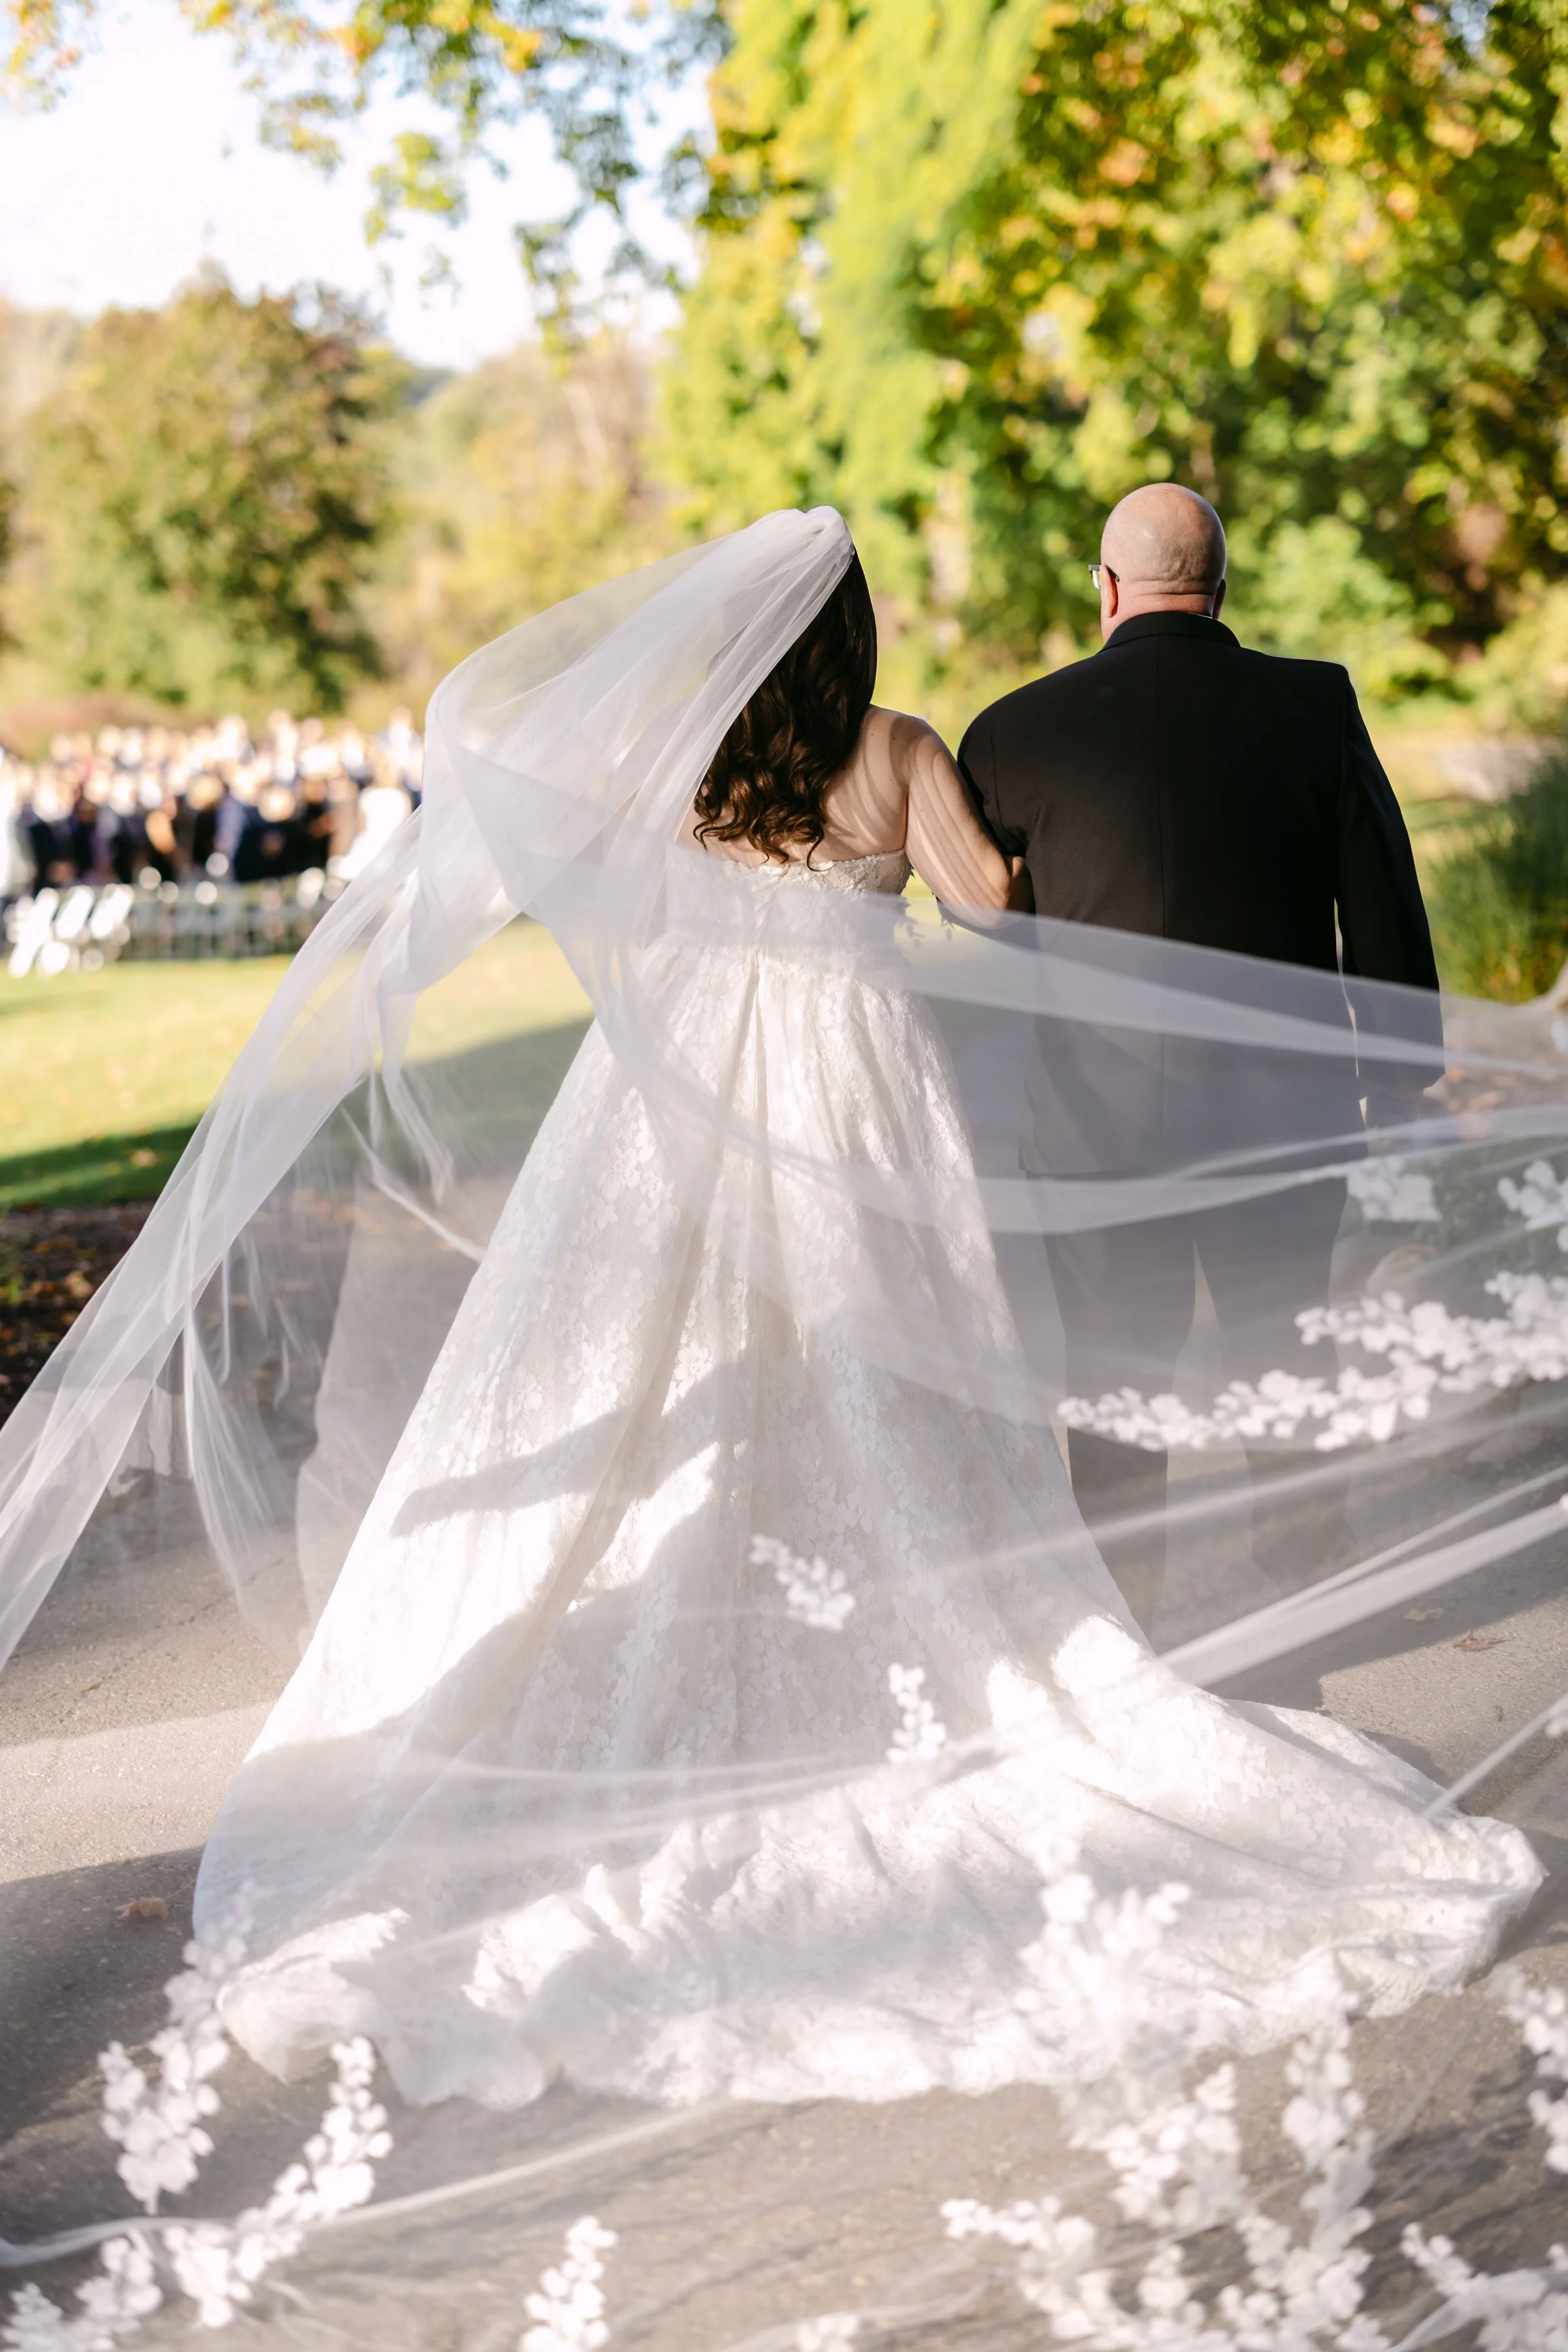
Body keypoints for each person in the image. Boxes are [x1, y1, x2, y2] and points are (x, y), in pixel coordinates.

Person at [180, 512, 1533, 2113]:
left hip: (667, 1104)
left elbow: (564, 839)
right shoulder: (898, 751)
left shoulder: (674, 764)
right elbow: (995, 908)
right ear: (853, 636)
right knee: (890, 1358)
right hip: (852, 1092)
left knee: (659, 1356)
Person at [959, 484, 1443, 1623]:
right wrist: (1402, 1077)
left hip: (1093, 1127)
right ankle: (1312, 1585)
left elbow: (988, 920)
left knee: (1117, 1381)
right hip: (1284, 1112)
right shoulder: (1314, 705)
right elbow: (1382, 901)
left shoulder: (1012, 730)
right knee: (1285, 1352)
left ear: (1107, 589)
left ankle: (1128, 1615)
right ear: (1220, 588)